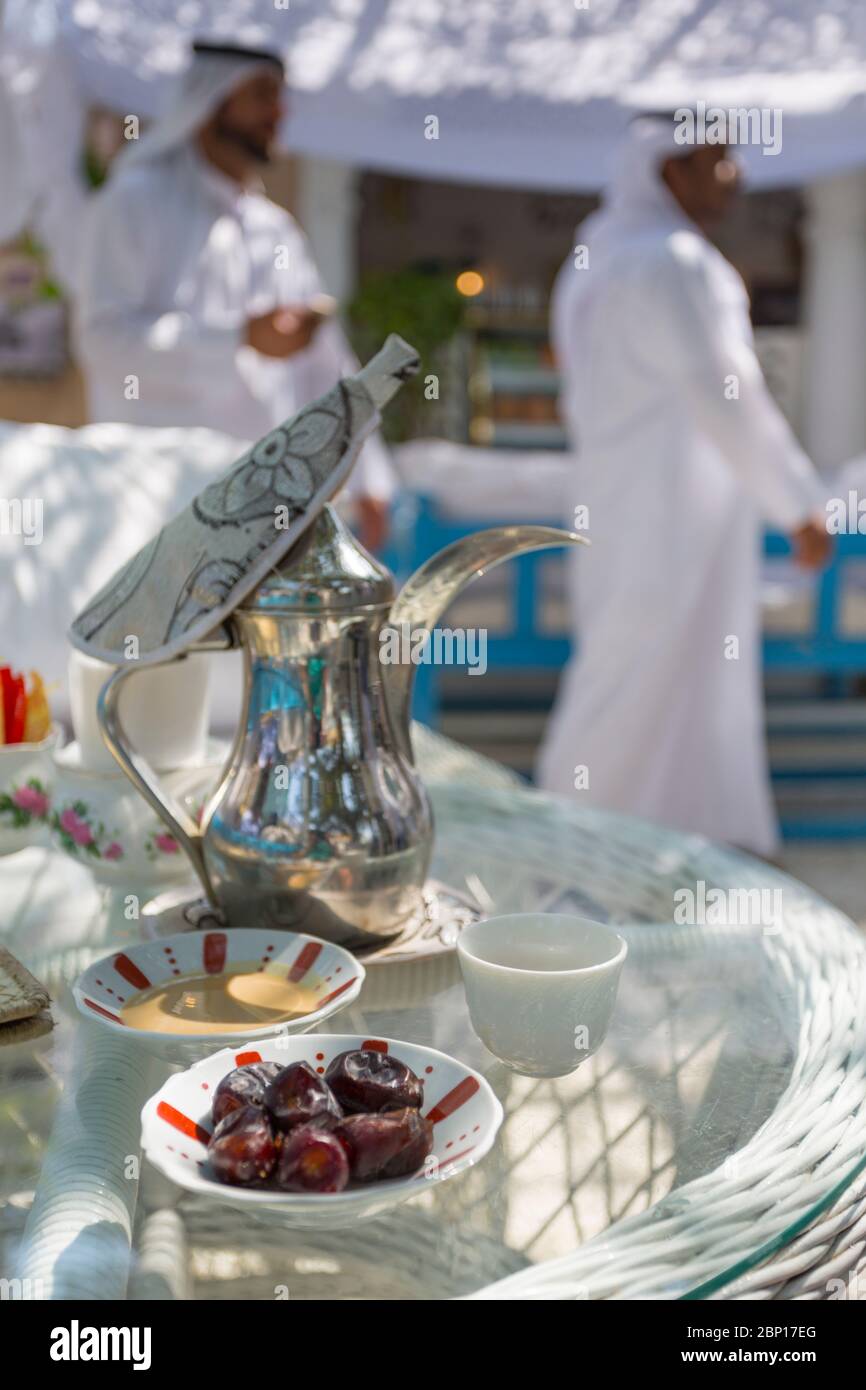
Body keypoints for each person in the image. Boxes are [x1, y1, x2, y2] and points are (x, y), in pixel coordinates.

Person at [537, 114, 830, 857]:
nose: (736, 174)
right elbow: (727, 393)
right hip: (670, 507)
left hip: (620, 495)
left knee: (650, 664)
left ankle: (650, 845)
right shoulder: (674, 261)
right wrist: (798, 502)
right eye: (719, 158)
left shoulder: (595, 255)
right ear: (673, 168)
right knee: (642, 669)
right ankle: (576, 841)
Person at [76, 40, 393, 549]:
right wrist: (238, 340)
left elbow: (325, 363)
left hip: (262, 511)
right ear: (212, 101)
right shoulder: (133, 204)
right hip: (152, 502)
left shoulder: (276, 229)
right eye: (263, 95)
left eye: (280, 97)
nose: (278, 113)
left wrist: (367, 475)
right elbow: (104, 343)